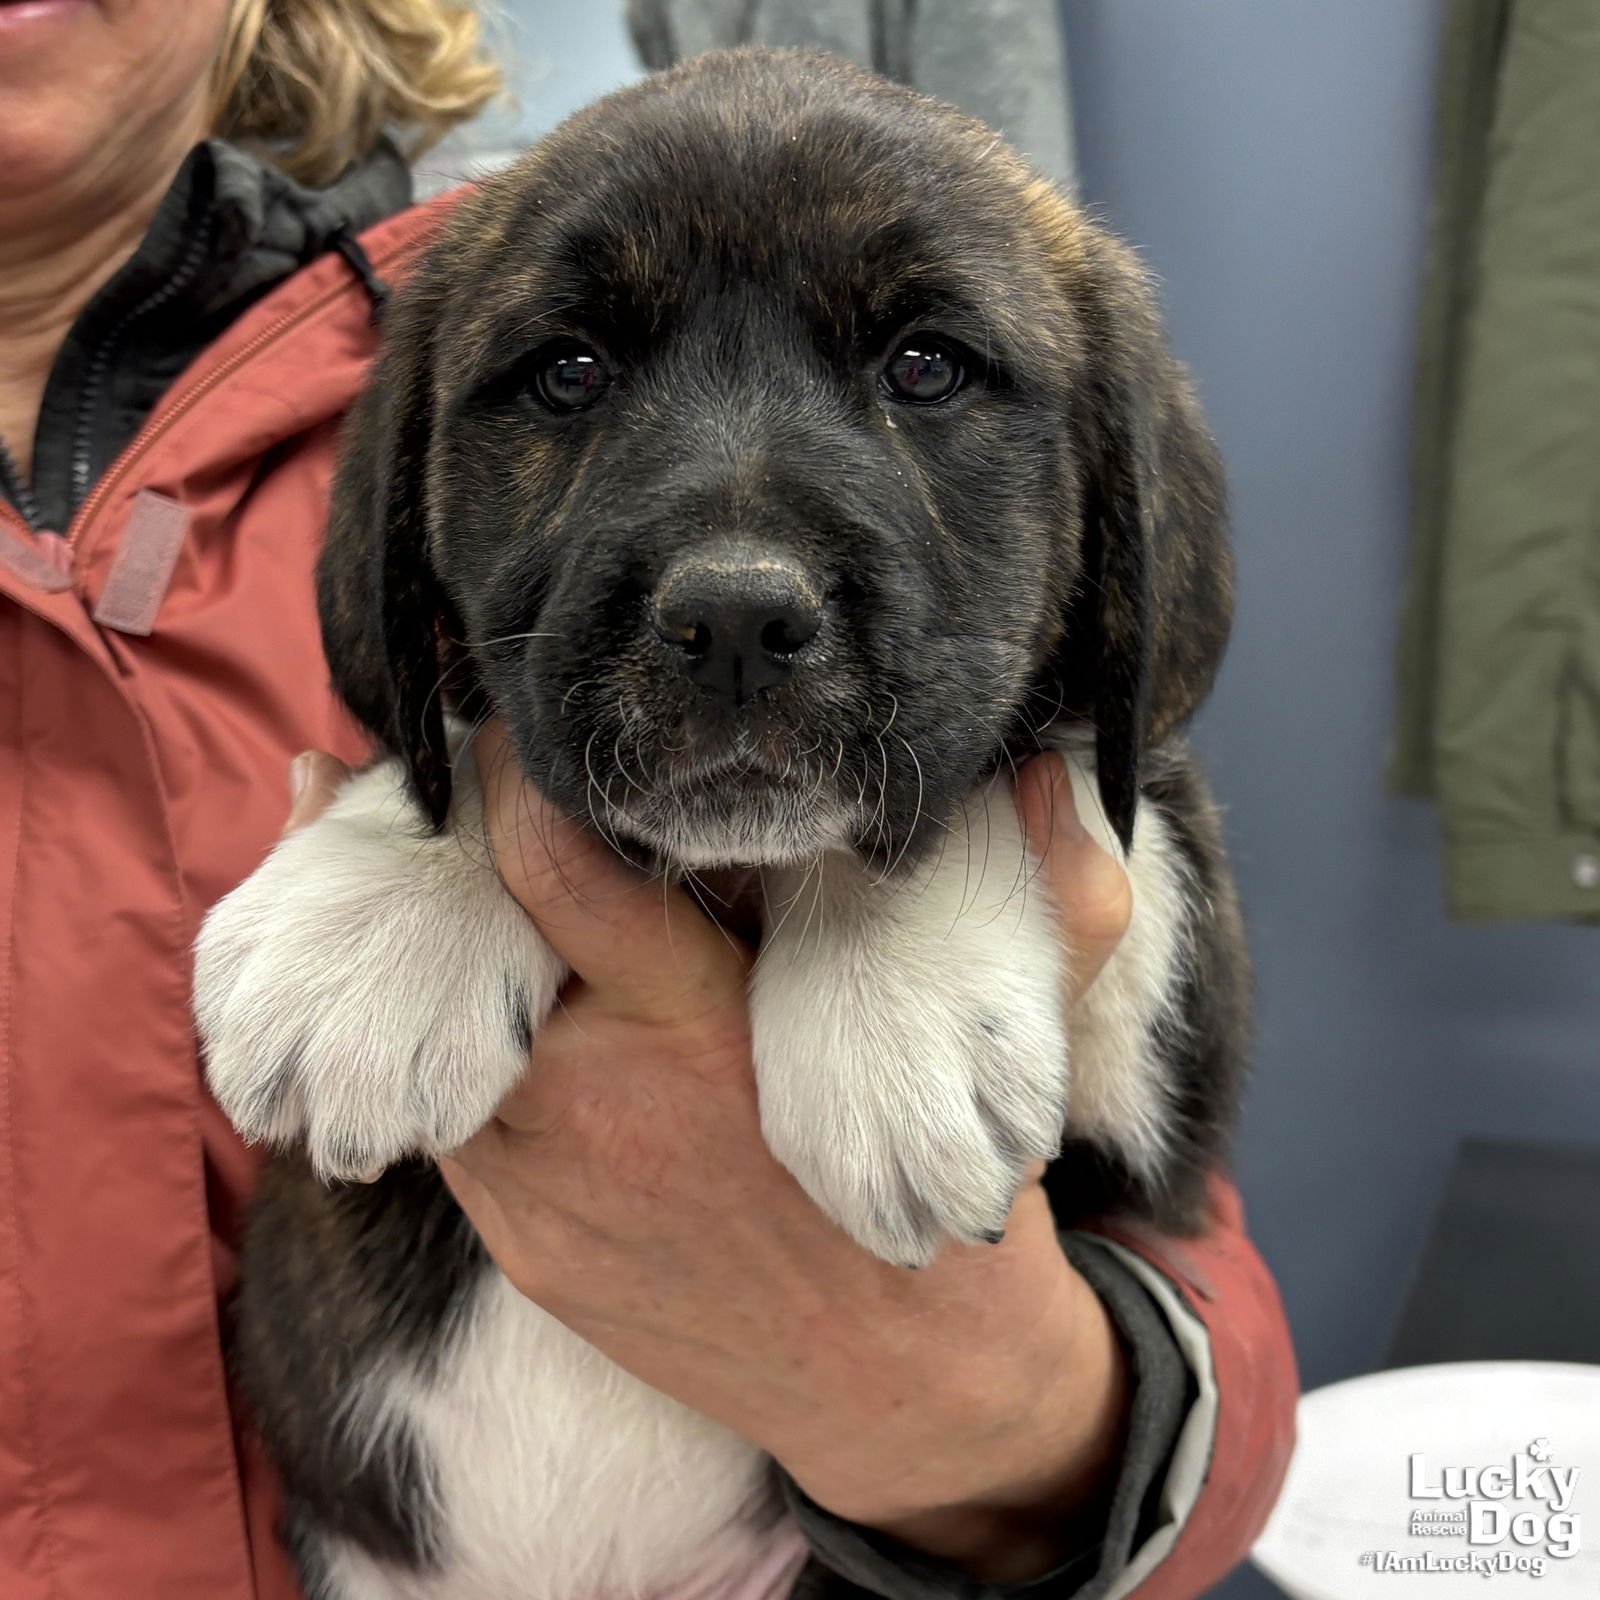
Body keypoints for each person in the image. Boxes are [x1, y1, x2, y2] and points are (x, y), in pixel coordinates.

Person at [0, 3, 1298, 1598]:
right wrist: (434, 824)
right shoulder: (430, 373)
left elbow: (1181, 1256)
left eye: (926, 364)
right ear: (399, 528)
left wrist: (993, 1414)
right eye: (567, 372)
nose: (736, 579)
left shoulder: (397, 320)